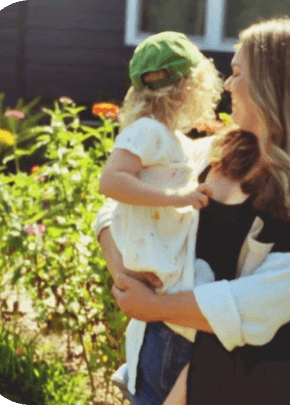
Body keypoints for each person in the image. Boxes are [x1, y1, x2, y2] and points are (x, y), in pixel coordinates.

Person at [96, 17, 290, 405]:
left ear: (273, 85)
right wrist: (125, 277)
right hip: (150, 366)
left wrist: (155, 305)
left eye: (236, 73)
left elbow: (258, 306)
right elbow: (116, 207)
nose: (228, 85)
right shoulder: (209, 154)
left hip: (240, 388)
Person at [95, 31, 224, 403]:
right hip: (162, 296)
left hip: (163, 287)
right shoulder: (147, 131)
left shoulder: (174, 139)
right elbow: (111, 181)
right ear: (190, 88)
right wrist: (178, 197)